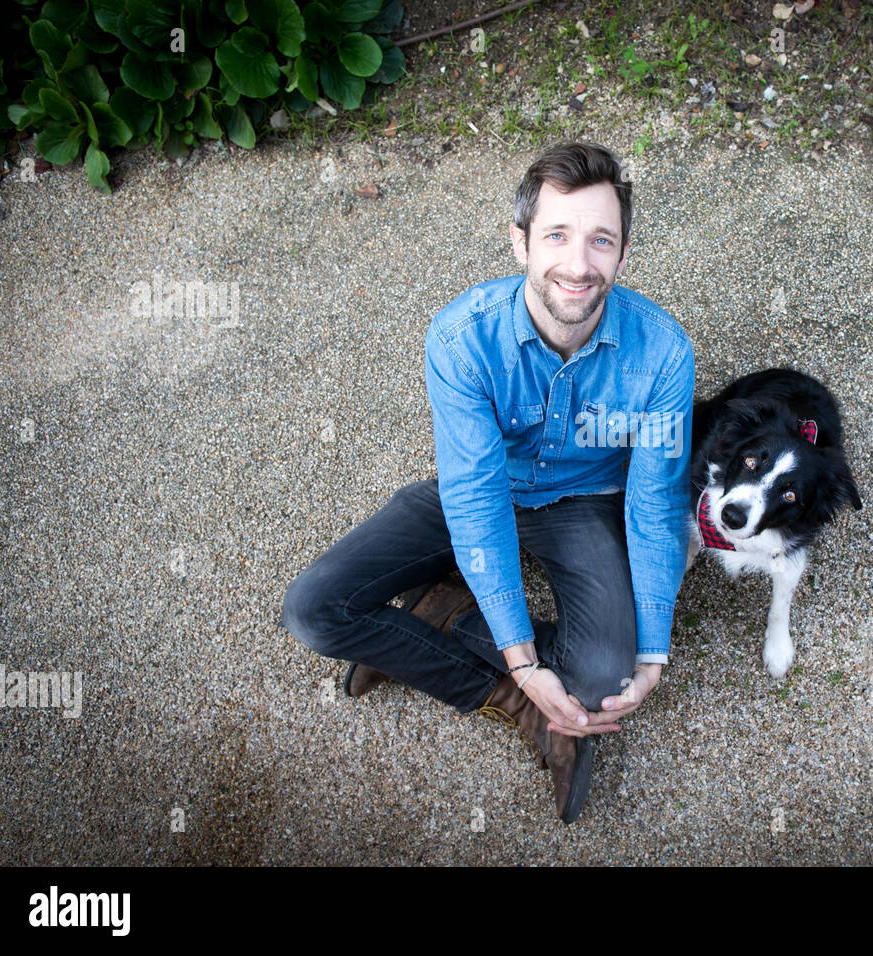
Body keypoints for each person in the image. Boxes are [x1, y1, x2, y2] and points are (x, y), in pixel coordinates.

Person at [280, 141, 695, 823]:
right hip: (484, 491)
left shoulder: (665, 355)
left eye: (601, 240)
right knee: (314, 609)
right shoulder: (459, 339)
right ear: (520, 242)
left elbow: (653, 503)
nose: (578, 263)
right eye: (556, 235)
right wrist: (524, 666)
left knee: (607, 677)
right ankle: (503, 690)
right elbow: (473, 499)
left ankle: (446, 616)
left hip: (582, 501)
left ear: (624, 254)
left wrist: (654, 647)